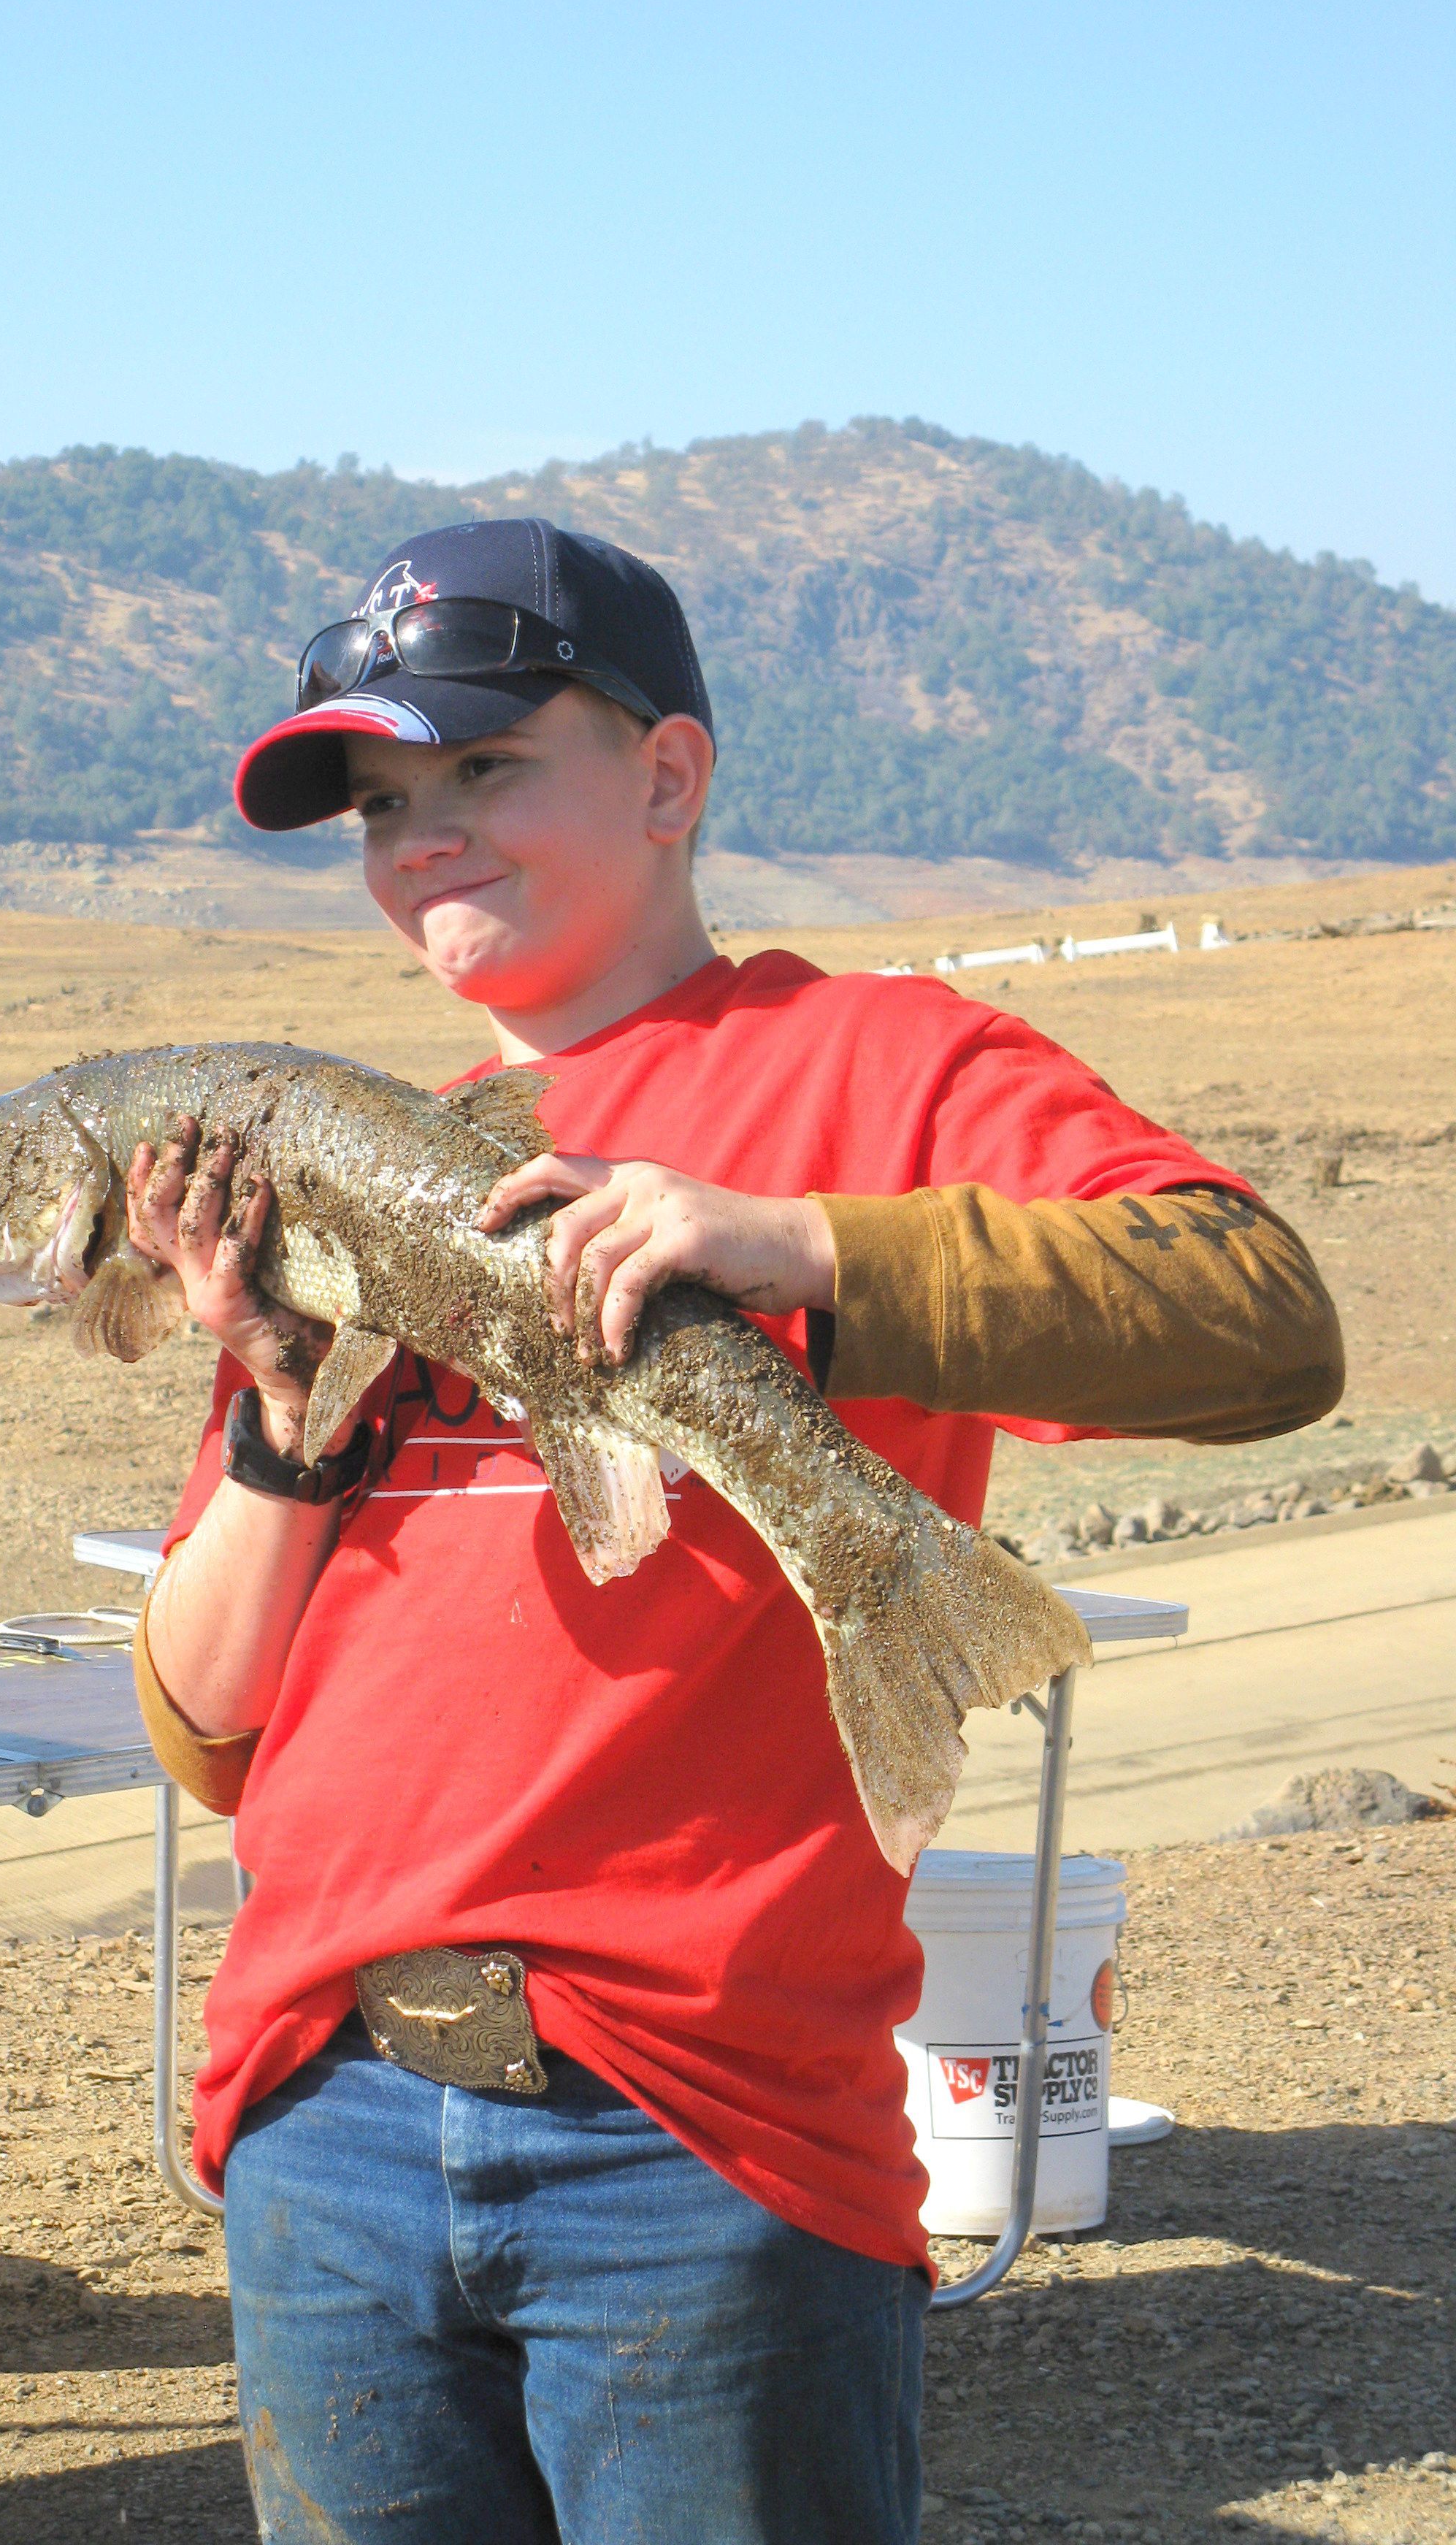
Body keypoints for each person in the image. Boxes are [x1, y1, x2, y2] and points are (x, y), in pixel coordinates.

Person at [126, 519, 1342, 2544]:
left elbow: (1260, 1322)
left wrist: (787, 1243)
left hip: (694, 2144)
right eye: (384, 804)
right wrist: (273, 1421)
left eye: (489, 769)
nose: (427, 836)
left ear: (671, 777)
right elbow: (209, 1735)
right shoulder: (363, 1162)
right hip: (320, 2117)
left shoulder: (887, 1065)